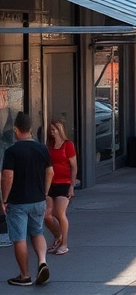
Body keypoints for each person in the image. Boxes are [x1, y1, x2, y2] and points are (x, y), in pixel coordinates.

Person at [2, 112, 53, 287]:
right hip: (38, 200)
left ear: (16, 129)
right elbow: (50, 172)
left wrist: (4, 199)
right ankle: (42, 262)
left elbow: (7, 177)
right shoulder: (42, 149)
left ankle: (25, 276)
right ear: (30, 129)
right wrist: (44, 193)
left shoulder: (12, 151)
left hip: (18, 201)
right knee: (37, 232)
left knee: (19, 238)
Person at [43, 120, 75, 256]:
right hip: (50, 183)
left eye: (54, 129)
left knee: (60, 213)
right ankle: (58, 236)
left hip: (64, 182)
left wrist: (72, 186)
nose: (52, 132)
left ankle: (64, 244)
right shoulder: (48, 146)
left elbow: (74, 167)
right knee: (47, 214)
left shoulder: (68, 145)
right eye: (50, 130)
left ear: (60, 130)